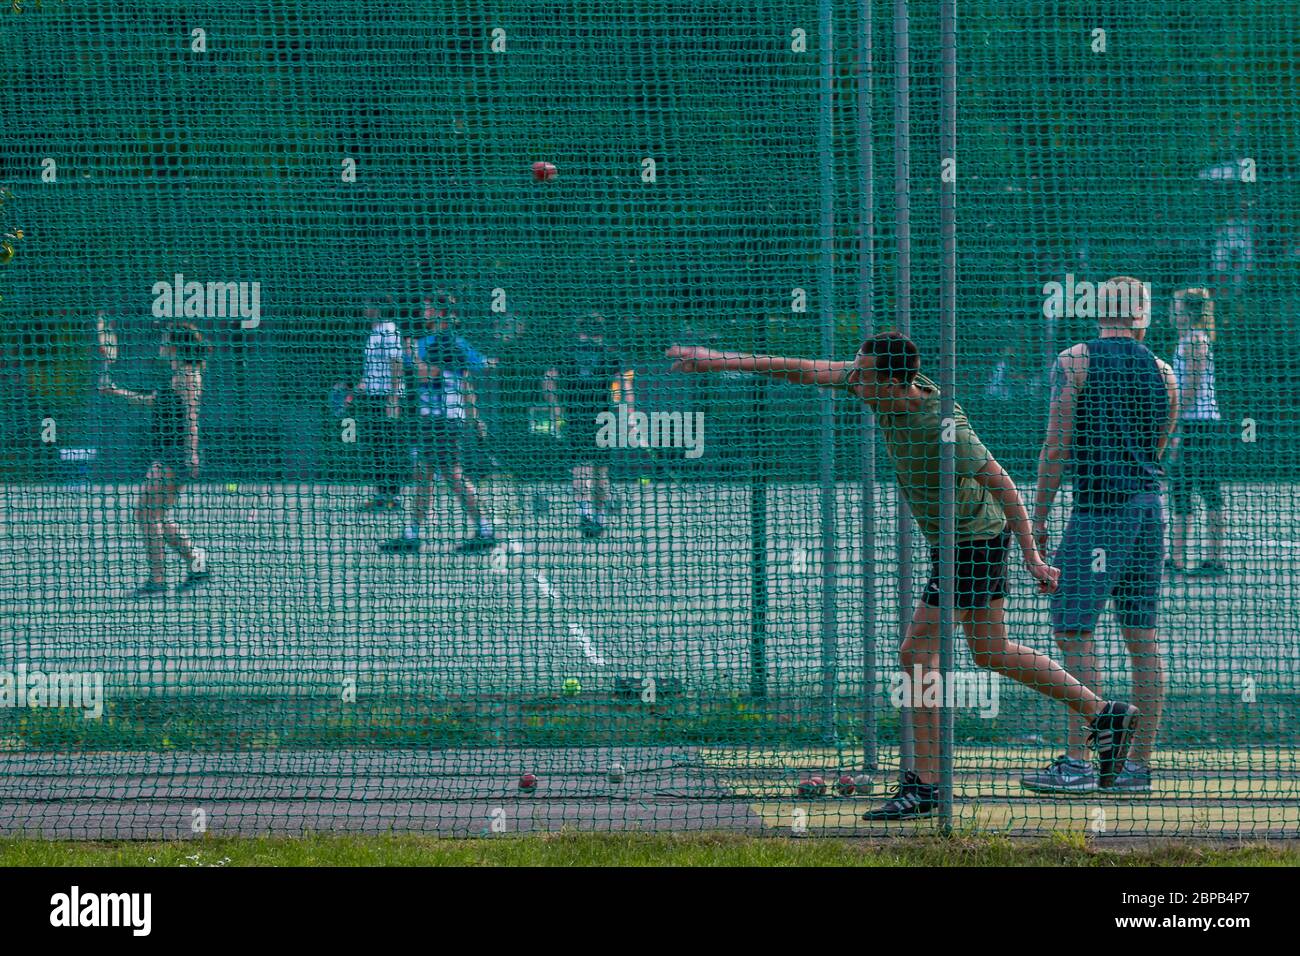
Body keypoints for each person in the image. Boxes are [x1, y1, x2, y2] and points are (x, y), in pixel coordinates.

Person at [668, 331, 1139, 820]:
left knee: (916, 654)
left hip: (971, 543)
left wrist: (1033, 557)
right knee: (991, 651)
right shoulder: (874, 385)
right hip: (964, 541)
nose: (856, 380)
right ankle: (1104, 714)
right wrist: (717, 358)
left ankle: (925, 783)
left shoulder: (942, 426)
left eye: (867, 376)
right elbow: (803, 368)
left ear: (897, 383)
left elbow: (1002, 483)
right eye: (857, 369)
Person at [1024, 277, 1180, 794]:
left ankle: (1078, 763)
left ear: (1098, 312)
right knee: (1142, 637)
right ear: (1143, 315)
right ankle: (1137, 766)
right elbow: (1159, 448)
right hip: (1149, 513)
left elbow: (1055, 446)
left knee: (1074, 631)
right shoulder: (1165, 373)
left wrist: (1038, 520)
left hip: (1100, 513)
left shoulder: (1074, 361)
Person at [99, 322, 210, 597]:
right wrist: (117, 392)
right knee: (154, 515)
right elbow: (152, 402)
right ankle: (197, 564)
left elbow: (191, 416)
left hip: (175, 453)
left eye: (164, 339)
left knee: (146, 513)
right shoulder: (177, 376)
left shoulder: (188, 376)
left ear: (174, 344)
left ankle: (158, 580)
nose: (160, 343)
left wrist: (191, 452)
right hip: (168, 451)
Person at [379, 292, 496, 554]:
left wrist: (409, 353)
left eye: (429, 309)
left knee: (452, 475)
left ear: (440, 313)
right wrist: (474, 417)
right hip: (434, 417)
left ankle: (485, 530)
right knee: (424, 473)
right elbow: (467, 380)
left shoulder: (444, 342)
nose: (424, 313)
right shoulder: (437, 341)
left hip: (442, 418)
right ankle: (413, 534)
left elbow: (427, 374)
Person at [543, 314, 630, 539]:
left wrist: (557, 411)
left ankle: (586, 513)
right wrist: (629, 414)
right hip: (602, 417)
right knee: (601, 469)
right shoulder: (608, 354)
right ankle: (598, 518)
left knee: (580, 466)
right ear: (601, 333)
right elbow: (624, 384)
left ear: (579, 329)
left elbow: (548, 379)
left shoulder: (568, 352)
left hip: (575, 416)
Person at [1167, 288, 1225, 574]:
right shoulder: (1189, 340)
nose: (1171, 312)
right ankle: (1177, 557)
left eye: (1176, 307)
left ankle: (1213, 559)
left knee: (1203, 487)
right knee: (1182, 488)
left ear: (1188, 311)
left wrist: (1175, 425)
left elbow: (1190, 387)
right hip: (1195, 424)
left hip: (1198, 425)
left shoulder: (1194, 341)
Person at [354, 297, 405, 511]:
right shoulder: (374, 331)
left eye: (368, 304)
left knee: (388, 447)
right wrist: (363, 384)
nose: (364, 308)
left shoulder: (389, 329)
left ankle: (392, 497)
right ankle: (382, 495)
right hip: (374, 396)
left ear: (376, 307)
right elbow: (375, 367)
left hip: (386, 397)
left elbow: (396, 363)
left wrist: (393, 398)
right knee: (377, 446)